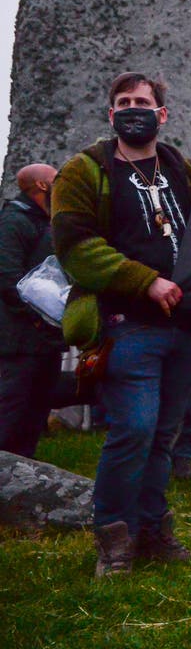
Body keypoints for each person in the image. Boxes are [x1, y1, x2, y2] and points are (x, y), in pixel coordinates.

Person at [52, 71, 191, 577]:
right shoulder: (84, 172)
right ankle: (114, 539)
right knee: (132, 431)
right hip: (128, 324)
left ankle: (155, 531)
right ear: (111, 113)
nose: (133, 108)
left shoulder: (183, 169)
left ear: (162, 115)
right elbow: (75, 248)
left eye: (144, 102)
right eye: (124, 101)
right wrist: (145, 282)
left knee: (163, 435)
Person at [0, 163, 64, 457]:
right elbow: (6, 276)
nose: (60, 182)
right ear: (41, 186)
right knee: (11, 413)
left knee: (35, 412)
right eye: (55, 178)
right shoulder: (14, 221)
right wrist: (39, 319)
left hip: (44, 340)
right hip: (18, 343)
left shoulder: (44, 220)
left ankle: (25, 477)